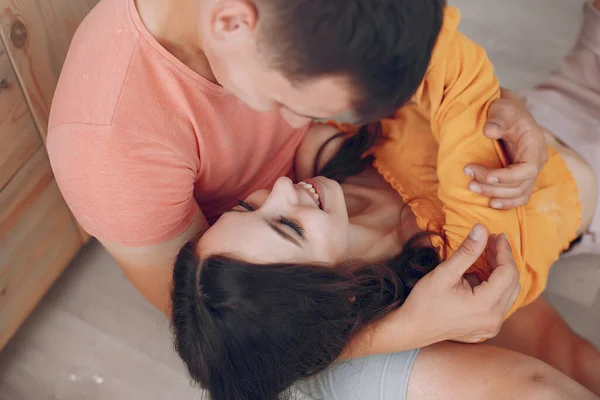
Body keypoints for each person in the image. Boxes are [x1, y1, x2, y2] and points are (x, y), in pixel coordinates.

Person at [170, 2, 600, 399]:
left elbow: (440, 92)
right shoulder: (460, 263)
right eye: (288, 226)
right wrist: (352, 30)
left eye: (249, 207)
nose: (282, 190)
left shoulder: (323, 157)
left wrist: (502, 103)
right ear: (334, 297)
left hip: (555, 106)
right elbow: (446, 68)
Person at [47, 0, 544, 343]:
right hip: (286, 295)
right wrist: (400, 332)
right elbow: (210, 323)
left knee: (535, 324)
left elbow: (429, 64)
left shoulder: (306, 34)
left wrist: (497, 111)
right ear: (232, 24)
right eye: (284, 100)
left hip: (347, 176)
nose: (293, 122)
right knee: (513, 369)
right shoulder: (110, 144)